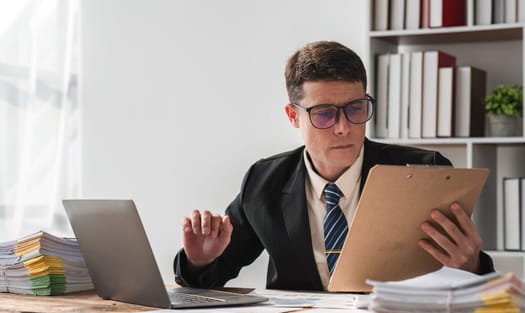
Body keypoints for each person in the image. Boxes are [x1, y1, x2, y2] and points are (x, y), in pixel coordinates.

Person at [173, 41, 494, 291]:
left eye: (355, 109)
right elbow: (210, 279)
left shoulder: (427, 172)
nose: (343, 127)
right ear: (293, 116)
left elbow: (465, 284)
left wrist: (472, 265)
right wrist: (199, 261)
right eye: (324, 113)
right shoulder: (264, 181)